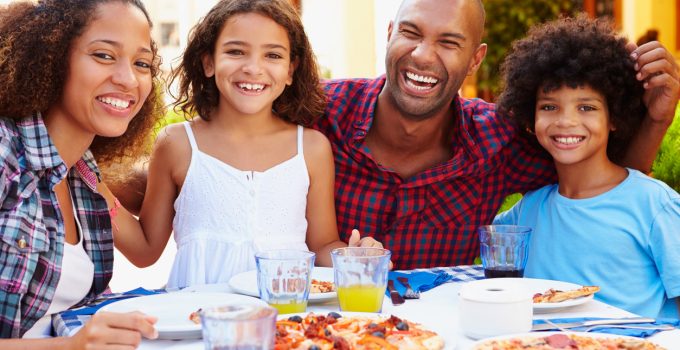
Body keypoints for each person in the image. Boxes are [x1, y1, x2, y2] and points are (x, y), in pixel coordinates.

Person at [111, 0, 680, 270]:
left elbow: (603, 183)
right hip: (324, 323)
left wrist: (653, 119)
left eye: (449, 43)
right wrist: (87, 175)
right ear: (389, 35)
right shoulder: (319, 113)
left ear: (476, 59)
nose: (422, 54)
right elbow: (217, 158)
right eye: (410, 32)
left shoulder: (499, 140)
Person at [112, 0, 382, 289]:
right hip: (197, 318)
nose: (253, 68)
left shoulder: (312, 148)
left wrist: (353, 256)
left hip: (287, 320)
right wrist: (89, 181)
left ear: (291, 70)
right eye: (236, 51)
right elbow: (145, 250)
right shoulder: (177, 144)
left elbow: (322, 243)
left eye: (273, 55)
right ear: (208, 62)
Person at [493, 16, 680, 318]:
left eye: (587, 107)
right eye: (549, 106)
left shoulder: (655, 205)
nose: (566, 121)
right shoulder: (529, 210)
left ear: (615, 117)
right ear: (531, 118)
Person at [0, 0, 163, 346]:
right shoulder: (5, 154)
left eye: (142, 63)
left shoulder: (84, 175)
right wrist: (72, 345)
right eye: (104, 55)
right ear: (51, 57)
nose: (128, 79)